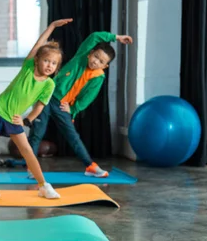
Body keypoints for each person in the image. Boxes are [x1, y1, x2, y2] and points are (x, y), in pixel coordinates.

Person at [0, 19, 73, 200]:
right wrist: (52, 27)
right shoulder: (28, 68)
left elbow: (40, 106)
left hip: (13, 118)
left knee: (28, 151)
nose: (49, 65)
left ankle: (43, 185)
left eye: (53, 63)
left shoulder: (49, 84)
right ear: (37, 60)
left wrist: (26, 120)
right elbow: (39, 45)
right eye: (46, 60)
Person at [27, 27, 133, 178]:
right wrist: (116, 37)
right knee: (37, 132)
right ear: (90, 53)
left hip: (62, 105)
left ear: (105, 66)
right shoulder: (81, 56)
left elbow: (88, 98)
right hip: (46, 96)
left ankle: (90, 166)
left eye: (101, 61)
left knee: (73, 136)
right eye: (95, 56)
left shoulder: (98, 78)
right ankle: (32, 168)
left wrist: (73, 108)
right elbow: (95, 35)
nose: (96, 61)